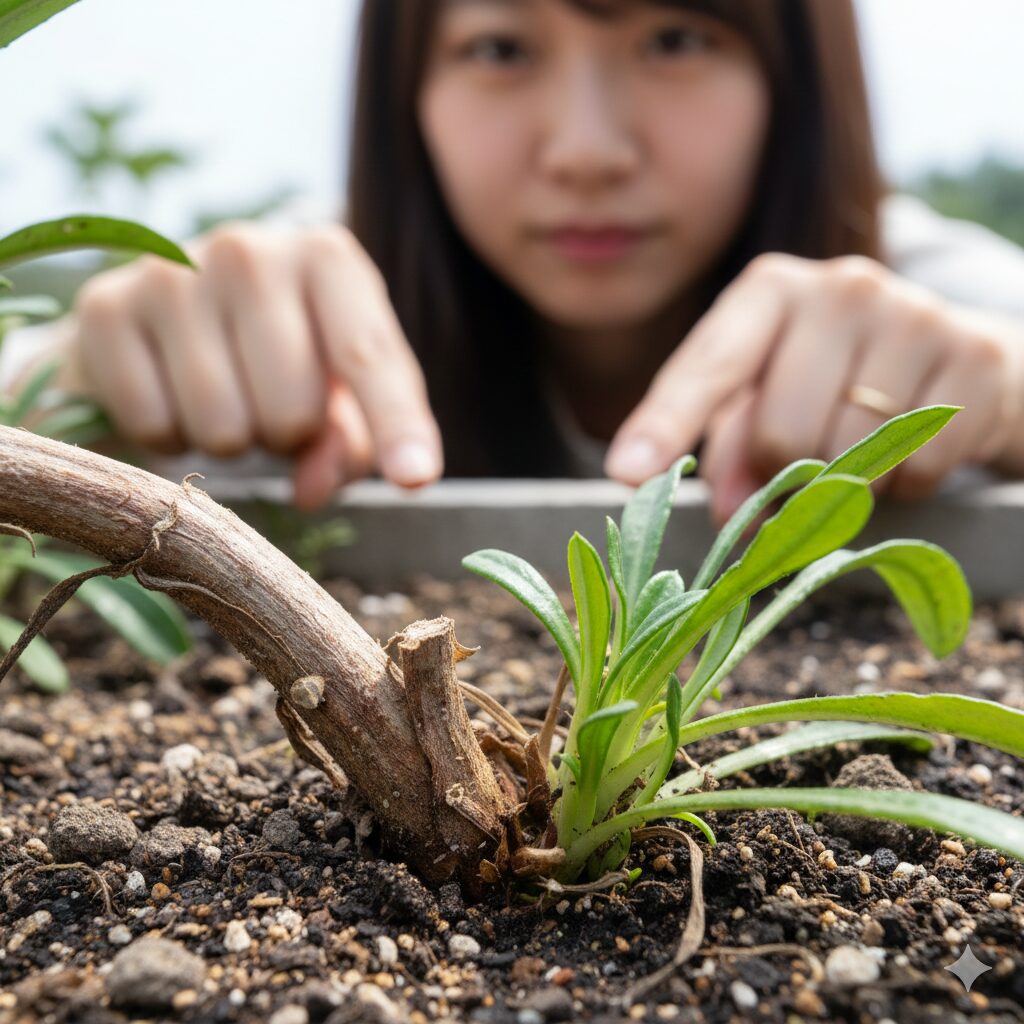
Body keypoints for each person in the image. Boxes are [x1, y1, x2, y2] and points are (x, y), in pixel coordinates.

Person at [9, 0, 1024, 526]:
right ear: (406, 88)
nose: (586, 150)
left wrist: (1004, 403)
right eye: (499, 48)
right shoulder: (315, 301)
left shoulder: (910, 288)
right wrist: (81, 383)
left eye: (675, 37)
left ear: (792, 79)